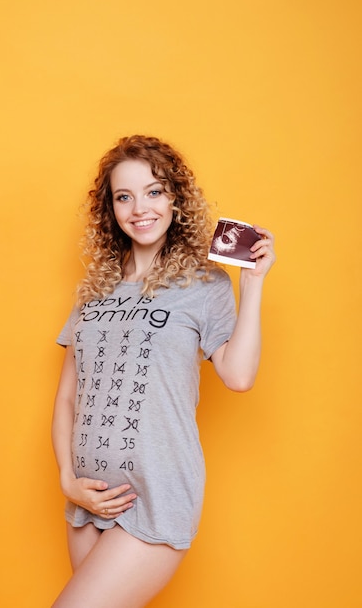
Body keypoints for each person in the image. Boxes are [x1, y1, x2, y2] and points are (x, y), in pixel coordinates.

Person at [51, 135, 276, 608]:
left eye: (154, 191)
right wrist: (68, 480)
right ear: (109, 208)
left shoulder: (204, 283)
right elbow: (69, 396)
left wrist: (251, 285)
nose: (140, 208)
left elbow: (237, 376)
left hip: (155, 494)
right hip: (88, 499)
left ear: (175, 198)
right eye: (124, 196)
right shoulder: (94, 291)